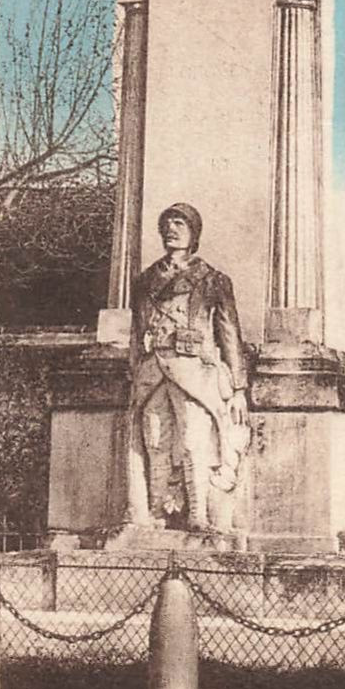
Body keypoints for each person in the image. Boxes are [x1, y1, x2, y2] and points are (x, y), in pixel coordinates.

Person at [126, 202, 251, 533]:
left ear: (193, 233)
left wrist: (238, 389)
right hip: (153, 371)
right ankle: (155, 513)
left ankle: (197, 515)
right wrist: (134, 374)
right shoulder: (144, 281)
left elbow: (230, 336)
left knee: (194, 443)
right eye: (167, 223)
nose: (172, 229)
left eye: (180, 223)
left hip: (193, 372)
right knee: (154, 440)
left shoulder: (212, 280)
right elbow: (136, 336)